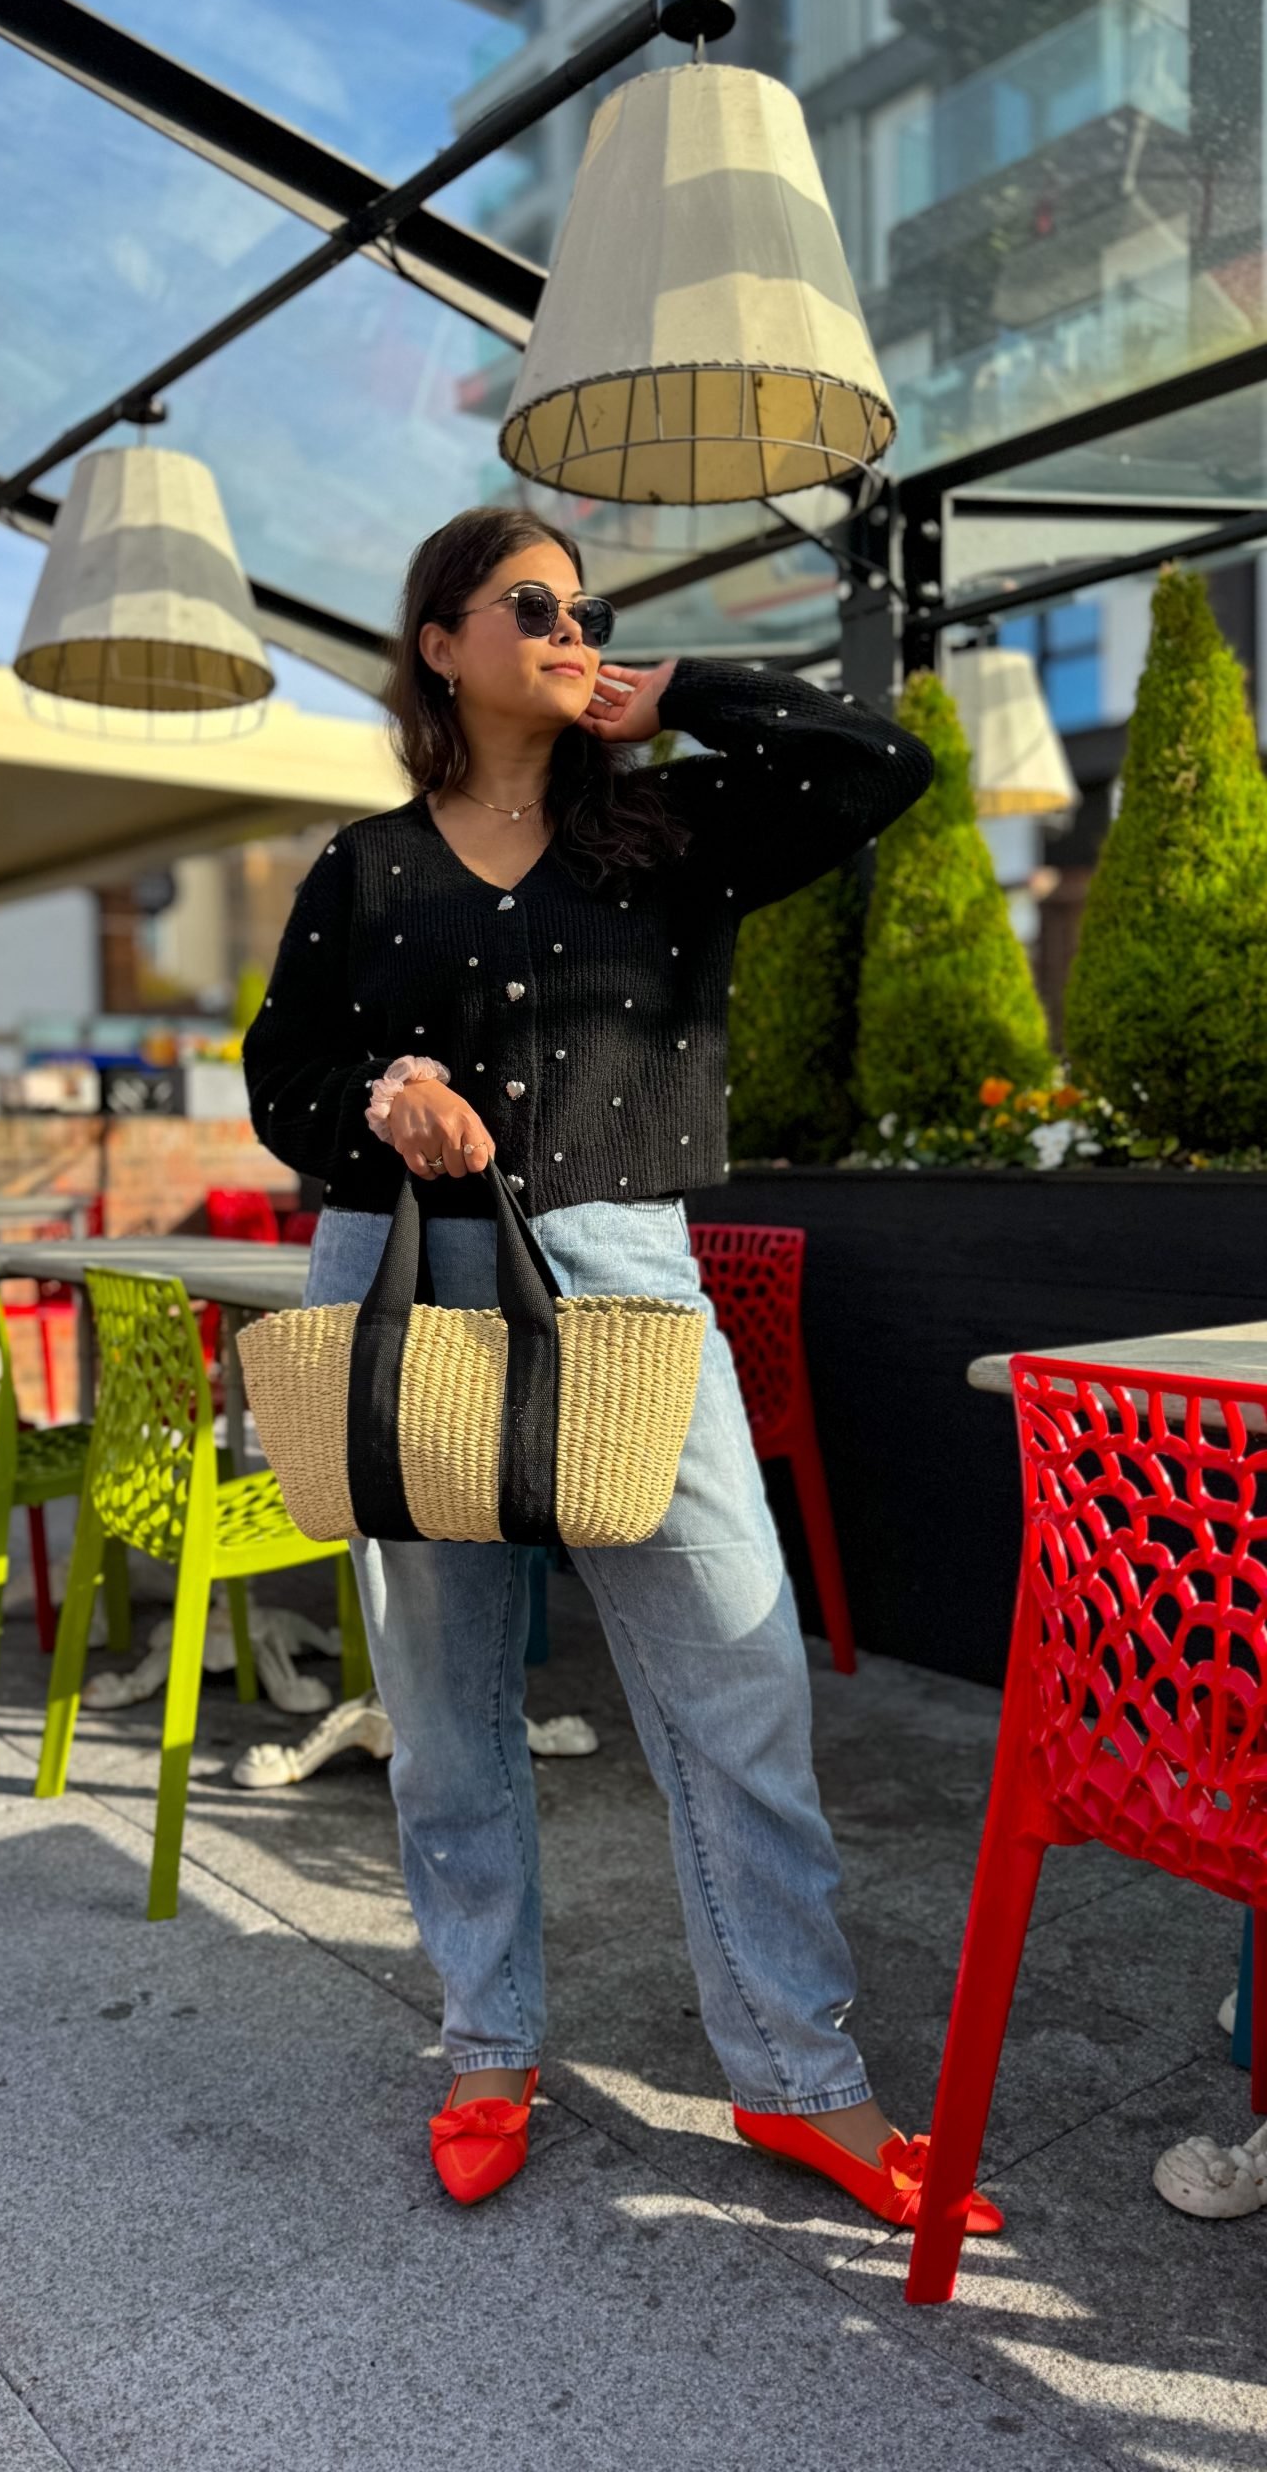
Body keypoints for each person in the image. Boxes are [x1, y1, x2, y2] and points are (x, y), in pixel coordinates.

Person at [244, 505, 1002, 2230]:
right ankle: (487, 2040)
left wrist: (672, 690)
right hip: (401, 1280)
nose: (568, 623)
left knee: (739, 1669)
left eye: (585, 604)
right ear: (441, 642)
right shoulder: (362, 867)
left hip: (620, 1275)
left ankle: (800, 2084)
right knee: (445, 1703)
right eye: (532, 602)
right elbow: (280, 1076)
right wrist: (378, 1101)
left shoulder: (669, 828)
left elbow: (875, 759)